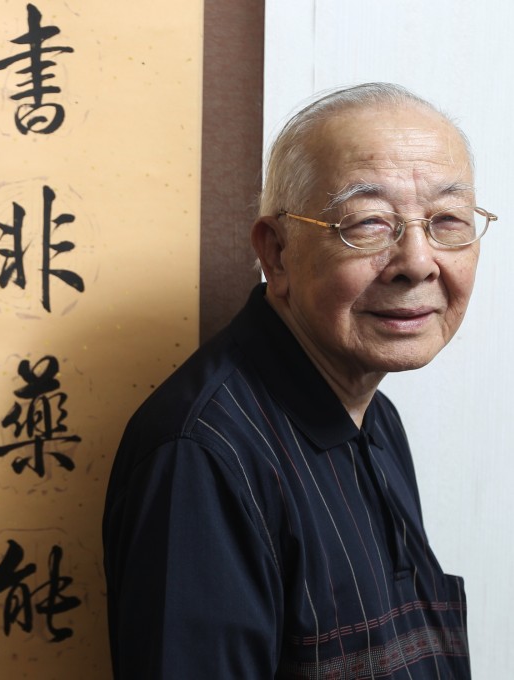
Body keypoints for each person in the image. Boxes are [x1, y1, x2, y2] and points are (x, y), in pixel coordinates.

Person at [102, 83, 494, 678]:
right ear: (277, 253)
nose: (417, 261)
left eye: (446, 220)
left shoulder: (373, 412)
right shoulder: (201, 459)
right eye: (368, 223)